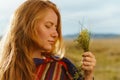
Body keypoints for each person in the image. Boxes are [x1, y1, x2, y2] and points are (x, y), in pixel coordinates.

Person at [0, 0, 96, 80]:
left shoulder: (61, 67)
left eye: (56, 27)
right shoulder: (5, 68)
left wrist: (88, 75)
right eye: (48, 26)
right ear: (27, 26)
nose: (56, 34)